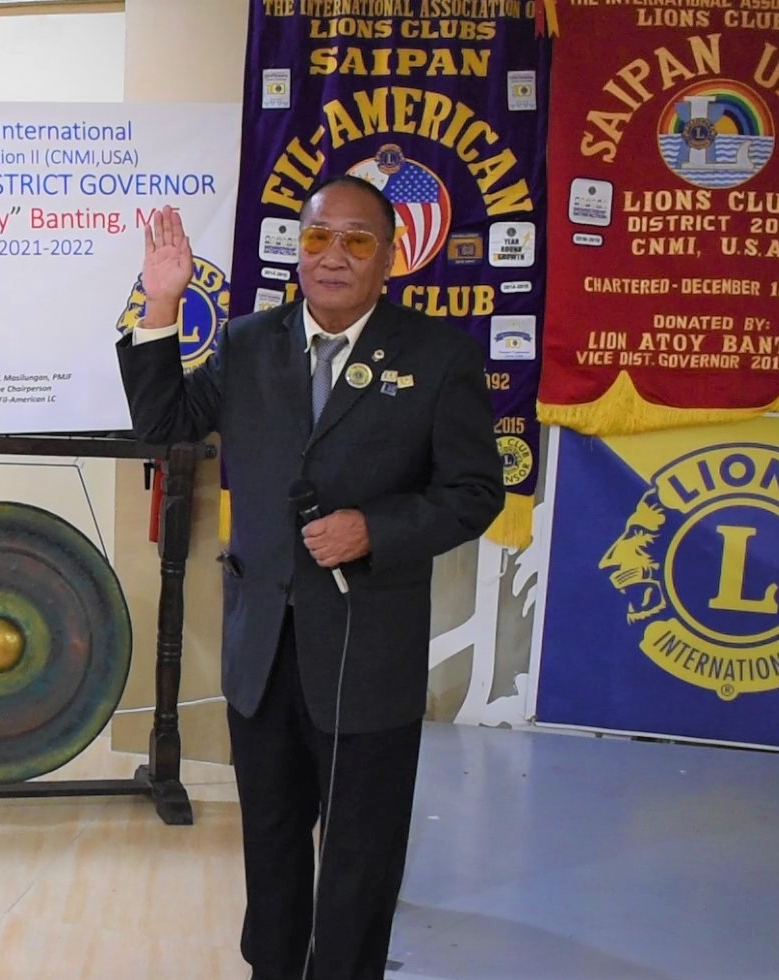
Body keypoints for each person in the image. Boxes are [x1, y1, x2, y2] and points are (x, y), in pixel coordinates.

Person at [118, 176, 503, 979]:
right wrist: (161, 305)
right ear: (299, 248)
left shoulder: (438, 358)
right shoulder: (250, 341)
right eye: (319, 237)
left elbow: (474, 495)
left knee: (361, 851)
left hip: (368, 649)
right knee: (272, 833)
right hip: (262, 646)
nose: (334, 257)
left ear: (389, 258)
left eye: (357, 240)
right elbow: (164, 426)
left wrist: (377, 529)